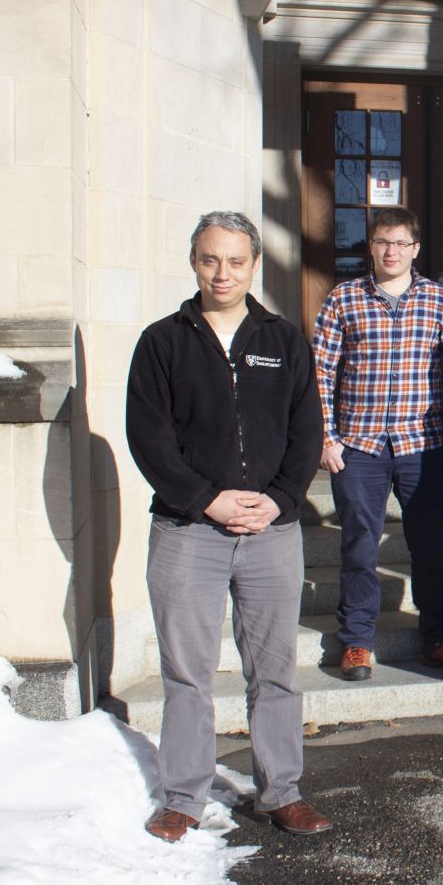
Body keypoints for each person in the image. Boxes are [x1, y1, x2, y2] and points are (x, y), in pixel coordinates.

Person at [126, 210, 331, 842]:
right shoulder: (163, 341)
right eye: (211, 259)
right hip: (189, 530)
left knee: (273, 670)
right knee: (187, 671)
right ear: (194, 261)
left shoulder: (282, 339)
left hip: (271, 531)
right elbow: (149, 439)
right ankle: (183, 796)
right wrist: (206, 499)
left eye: (236, 260)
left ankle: (281, 793)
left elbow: (306, 431)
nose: (223, 272)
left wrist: (281, 499)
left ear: (253, 265)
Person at [310, 207, 443, 681]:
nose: (391, 251)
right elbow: (320, 373)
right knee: (359, 545)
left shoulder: (439, 302)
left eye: (401, 243)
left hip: (421, 445)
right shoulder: (343, 300)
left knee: (428, 546)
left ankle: (440, 640)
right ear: (371, 245)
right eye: (383, 241)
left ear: (416, 249)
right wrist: (327, 438)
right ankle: (357, 642)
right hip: (359, 445)